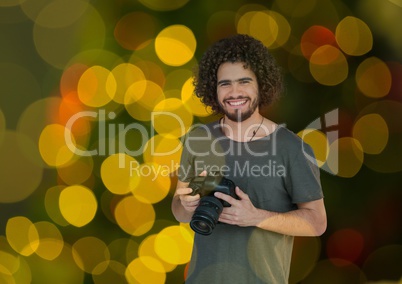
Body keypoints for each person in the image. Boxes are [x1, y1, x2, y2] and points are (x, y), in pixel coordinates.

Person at [171, 34, 327, 283]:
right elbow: (179, 211)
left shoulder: (292, 148)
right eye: (225, 84)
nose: (234, 92)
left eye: (244, 81)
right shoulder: (198, 139)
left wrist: (255, 217)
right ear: (213, 88)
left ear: (261, 85)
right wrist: (186, 205)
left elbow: (317, 222)